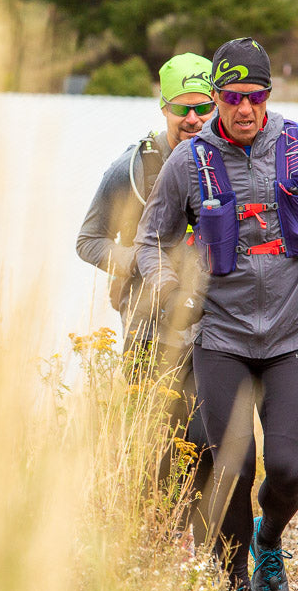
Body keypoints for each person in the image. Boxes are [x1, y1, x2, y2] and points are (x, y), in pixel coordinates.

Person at [135, 37, 298, 591]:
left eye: (255, 97)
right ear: (216, 97)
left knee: (287, 472)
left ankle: (270, 541)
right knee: (233, 467)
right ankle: (235, 580)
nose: (244, 110)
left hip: (289, 334)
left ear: (268, 97)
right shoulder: (192, 162)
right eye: (233, 97)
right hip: (221, 336)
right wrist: (168, 291)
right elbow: (149, 239)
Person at [75, 52, 217, 549]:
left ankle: (199, 540)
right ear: (163, 107)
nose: (193, 119)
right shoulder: (133, 168)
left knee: (205, 439)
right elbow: (87, 240)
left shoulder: (230, 159)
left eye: (203, 106)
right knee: (153, 440)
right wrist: (140, 258)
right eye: (182, 107)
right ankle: (157, 543)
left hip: (213, 330)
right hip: (146, 331)